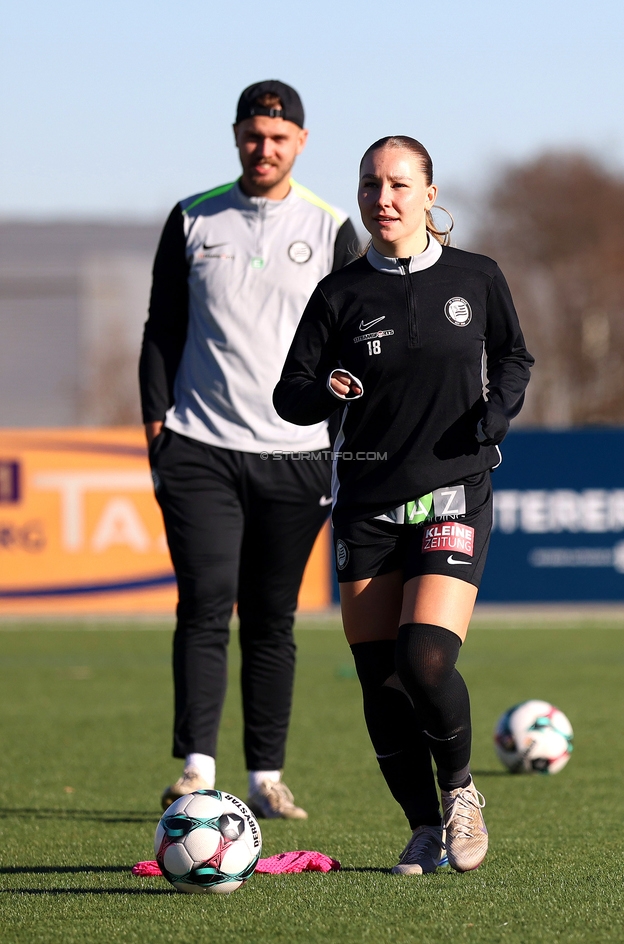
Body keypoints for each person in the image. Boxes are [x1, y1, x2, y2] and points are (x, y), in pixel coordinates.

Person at [273, 136, 533, 871]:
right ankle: (423, 828)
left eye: (396, 184)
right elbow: (289, 393)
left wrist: (497, 412)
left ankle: (461, 793)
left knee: (423, 657)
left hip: (455, 492)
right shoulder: (340, 293)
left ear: (428, 194)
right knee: (379, 679)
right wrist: (325, 390)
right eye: (369, 185)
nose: (381, 199)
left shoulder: (477, 276)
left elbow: (514, 356)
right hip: (366, 505)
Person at [139, 80, 358, 818]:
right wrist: (156, 426)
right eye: (253, 135)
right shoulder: (192, 217)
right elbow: (161, 328)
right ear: (237, 135)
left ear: (301, 142)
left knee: (271, 617)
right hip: (199, 447)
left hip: (296, 454)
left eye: (279, 137)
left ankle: (266, 778)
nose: (265, 148)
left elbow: (353, 341)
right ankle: (196, 770)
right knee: (204, 604)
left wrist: (337, 434)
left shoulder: (331, 226)